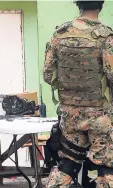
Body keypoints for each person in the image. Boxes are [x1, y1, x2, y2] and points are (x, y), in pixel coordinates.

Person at [43, 0, 113, 187]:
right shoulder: (106, 36)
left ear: (78, 4)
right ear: (101, 5)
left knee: (67, 164)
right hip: (100, 117)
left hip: (70, 116)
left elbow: (48, 75)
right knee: (106, 167)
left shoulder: (60, 34)